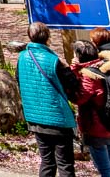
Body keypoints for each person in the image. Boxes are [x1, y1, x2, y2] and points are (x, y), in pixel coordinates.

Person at [17, 21, 80, 177]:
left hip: (35, 118)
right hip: (57, 118)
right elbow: (73, 84)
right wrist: (71, 68)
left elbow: (19, 80)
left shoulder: (22, 57)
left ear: (29, 36)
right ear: (48, 37)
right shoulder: (53, 60)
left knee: (47, 161)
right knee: (65, 164)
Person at [71, 41, 110, 177]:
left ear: (79, 56)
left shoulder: (89, 76)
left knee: (105, 170)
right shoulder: (105, 66)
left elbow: (79, 98)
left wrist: (73, 69)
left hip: (96, 127)